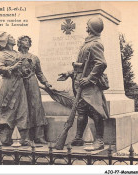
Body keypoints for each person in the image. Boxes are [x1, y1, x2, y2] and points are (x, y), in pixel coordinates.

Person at [58, 17, 110, 150]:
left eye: (88, 24)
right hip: (80, 83)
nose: (86, 26)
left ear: (91, 27)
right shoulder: (87, 43)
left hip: (90, 86)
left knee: (96, 112)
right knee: (81, 112)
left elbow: (101, 63)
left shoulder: (95, 44)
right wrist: (69, 73)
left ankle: (99, 140)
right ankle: (78, 138)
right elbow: (81, 66)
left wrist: (89, 79)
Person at [0, 32, 30, 146]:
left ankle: (23, 138)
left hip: (19, 84)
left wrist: (24, 71)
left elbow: (21, 69)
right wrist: (12, 67)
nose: (13, 37)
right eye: (11, 37)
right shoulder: (2, 54)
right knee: (3, 111)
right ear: (6, 41)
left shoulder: (17, 53)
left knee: (23, 109)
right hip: (8, 84)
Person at [16, 35, 51, 144]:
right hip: (20, 84)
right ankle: (25, 137)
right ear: (20, 43)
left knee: (37, 108)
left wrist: (46, 82)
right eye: (24, 40)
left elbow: (39, 73)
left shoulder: (35, 58)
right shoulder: (15, 56)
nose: (26, 42)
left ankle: (39, 136)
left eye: (28, 40)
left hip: (32, 83)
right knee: (23, 109)